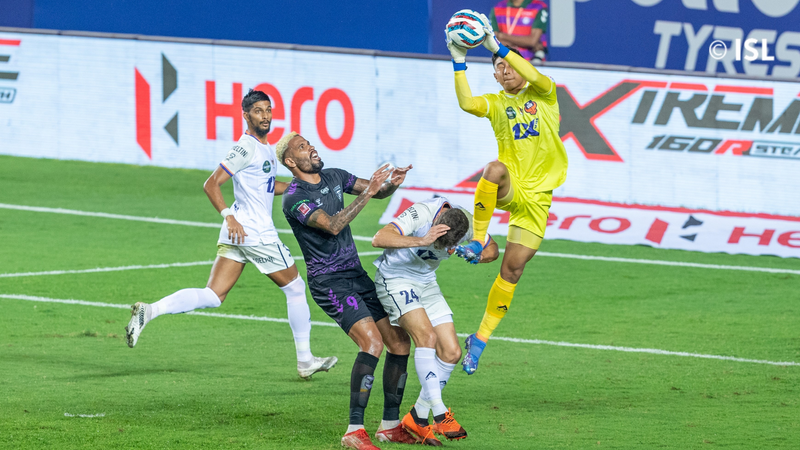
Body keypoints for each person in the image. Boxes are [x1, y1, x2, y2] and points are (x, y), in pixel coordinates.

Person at [124, 89, 337, 381]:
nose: (265, 116)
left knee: (213, 295)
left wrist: (296, 187)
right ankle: (305, 361)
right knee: (295, 288)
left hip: (240, 233)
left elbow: (265, 186)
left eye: (268, 110)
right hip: (254, 232)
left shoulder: (264, 148)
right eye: (258, 111)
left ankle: (150, 311)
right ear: (246, 115)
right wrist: (229, 216)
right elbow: (211, 184)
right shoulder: (246, 147)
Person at [277, 132, 420, 450]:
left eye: (309, 143)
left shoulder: (335, 176)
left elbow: (377, 191)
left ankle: (390, 426)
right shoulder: (294, 197)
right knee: (372, 343)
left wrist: (391, 184)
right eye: (302, 147)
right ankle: (354, 431)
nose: (311, 148)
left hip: (356, 274)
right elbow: (332, 225)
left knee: (399, 342)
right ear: (290, 161)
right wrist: (368, 193)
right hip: (329, 282)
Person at [446, 18, 568, 375]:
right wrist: (458, 60)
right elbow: (467, 103)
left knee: (512, 271)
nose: (507, 70)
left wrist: (497, 47)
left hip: (538, 200)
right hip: (511, 186)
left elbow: (531, 72)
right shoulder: (497, 103)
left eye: (511, 64)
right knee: (494, 168)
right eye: (500, 67)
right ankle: (479, 239)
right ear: (496, 77)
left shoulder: (544, 93)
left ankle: (479, 339)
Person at [371, 196, 499, 443]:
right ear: (437, 221)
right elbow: (379, 238)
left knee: (451, 353)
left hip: (427, 283)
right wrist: (423, 239)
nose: (440, 248)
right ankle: (440, 413)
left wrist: (478, 256)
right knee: (426, 337)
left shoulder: (469, 224)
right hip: (396, 279)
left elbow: (493, 249)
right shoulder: (421, 213)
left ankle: (418, 416)